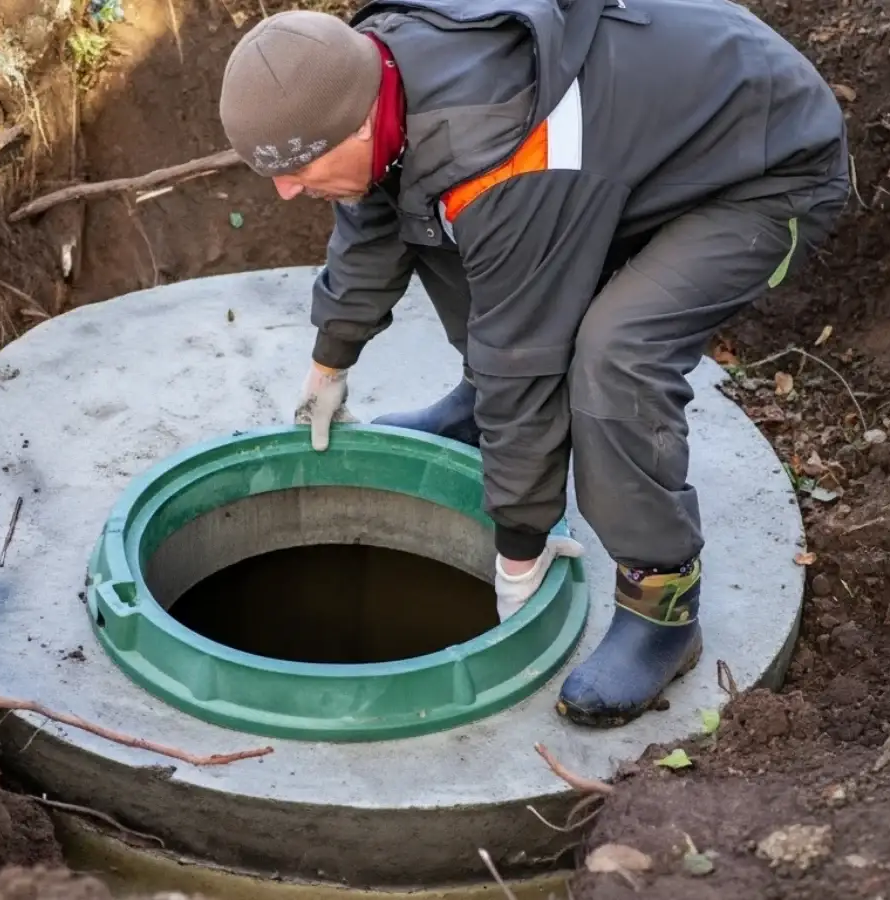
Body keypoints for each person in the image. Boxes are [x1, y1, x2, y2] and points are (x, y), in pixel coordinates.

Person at [218, 0, 849, 728]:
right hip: (633, 149)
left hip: (762, 169)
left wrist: (519, 548)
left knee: (615, 357)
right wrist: (330, 362)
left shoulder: (496, 147)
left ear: (359, 120)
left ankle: (663, 608)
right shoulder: (375, 74)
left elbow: (527, 358)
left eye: (297, 167)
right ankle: (477, 405)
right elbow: (380, 213)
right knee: (437, 219)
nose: (284, 191)